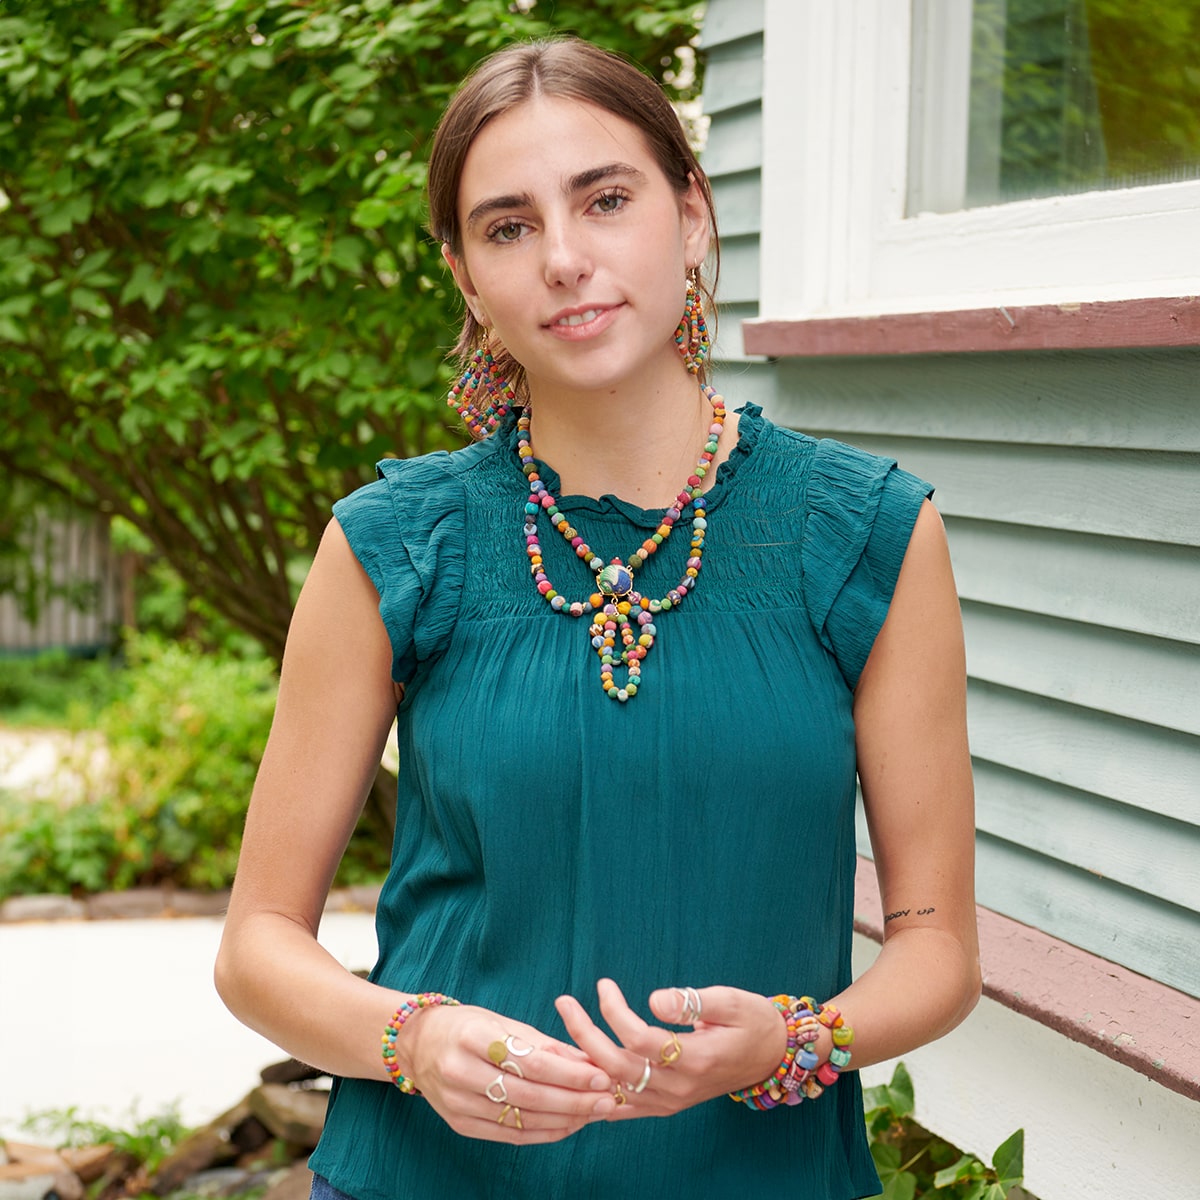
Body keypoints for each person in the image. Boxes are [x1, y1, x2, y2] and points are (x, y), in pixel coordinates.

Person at [215, 36, 981, 1200]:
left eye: (606, 200)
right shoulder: (393, 543)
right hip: (430, 1180)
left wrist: (788, 1043)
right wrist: (412, 1041)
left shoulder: (866, 535)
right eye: (508, 226)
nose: (565, 258)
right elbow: (256, 945)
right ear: (468, 278)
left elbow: (938, 950)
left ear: (691, 213)